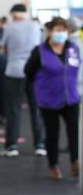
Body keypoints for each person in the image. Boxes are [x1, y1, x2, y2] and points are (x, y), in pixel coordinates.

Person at [25, 17, 81, 180]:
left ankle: (75, 162)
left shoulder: (73, 49)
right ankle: (53, 165)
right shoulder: (40, 51)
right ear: (50, 31)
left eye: (64, 31)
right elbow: (29, 72)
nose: (61, 34)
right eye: (57, 30)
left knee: (74, 132)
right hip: (48, 99)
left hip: (70, 97)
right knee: (52, 133)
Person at [0, 4, 46, 157]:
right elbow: (40, 47)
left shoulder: (9, 27)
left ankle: (12, 145)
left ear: (13, 14)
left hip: (14, 71)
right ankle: (40, 144)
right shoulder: (35, 26)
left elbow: (2, 48)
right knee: (36, 109)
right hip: (34, 72)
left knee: (13, 110)